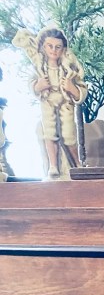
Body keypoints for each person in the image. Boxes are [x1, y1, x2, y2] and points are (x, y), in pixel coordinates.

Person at [12, 26, 88, 180]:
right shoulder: (40, 67)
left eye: (58, 47)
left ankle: (76, 163)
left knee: (68, 134)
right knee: (49, 132)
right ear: (43, 47)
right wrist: (38, 86)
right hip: (47, 102)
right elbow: (32, 84)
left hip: (65, 104)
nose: (54, 50)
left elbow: (81, 89)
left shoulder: (68, 69)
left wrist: (72, 88)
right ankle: (53, 166)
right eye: (50, 46)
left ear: (63, 48)